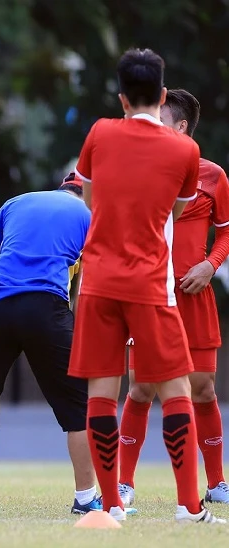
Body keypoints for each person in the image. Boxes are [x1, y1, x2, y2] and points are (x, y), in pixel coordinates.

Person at [68, 48, 224, 524]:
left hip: (97, 282)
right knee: (176, 387)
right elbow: (172, 213)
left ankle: (111, 505)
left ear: (120, 97)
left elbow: (91, 202)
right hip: (151, 283)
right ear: (161, 94)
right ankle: (188, 506)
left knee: (102, 391)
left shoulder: (98, 132)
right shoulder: (187, 150)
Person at [0, 175, 102, 515]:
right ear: (87, 194)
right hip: (46, 309)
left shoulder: (14, 203)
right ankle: (86, 499)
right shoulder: (91, 215)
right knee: (78, 409)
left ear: (60, 187)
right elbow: (90, 281)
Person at [118, 89, 229, 506]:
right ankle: (125, 484)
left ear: (180, 127)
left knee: (203, 389)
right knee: (141, 388)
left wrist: (209, 265)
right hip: (150, 295)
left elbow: (226, 231)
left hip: (194, 295)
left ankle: (217, 484)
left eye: (158, 120)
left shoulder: (213, 175)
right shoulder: (139, 171)